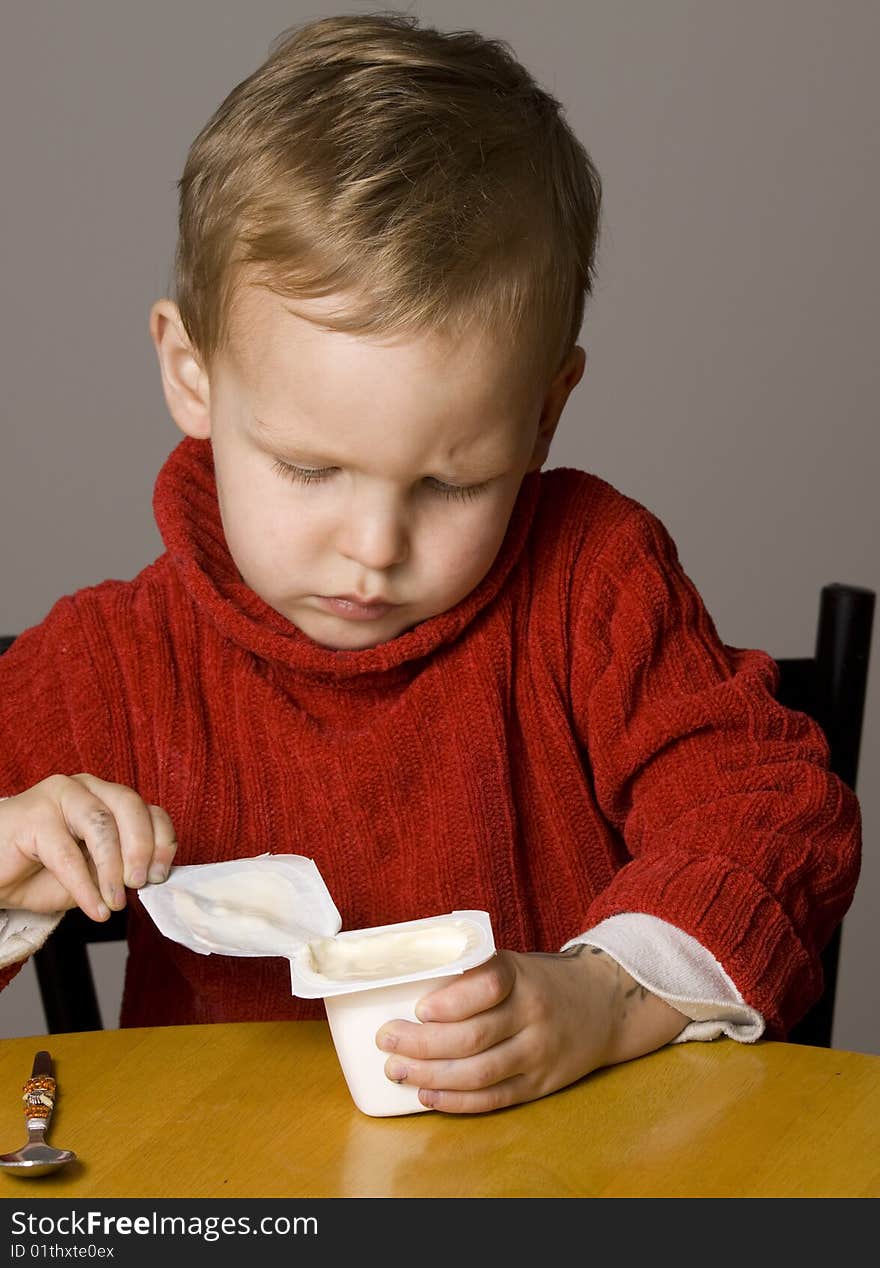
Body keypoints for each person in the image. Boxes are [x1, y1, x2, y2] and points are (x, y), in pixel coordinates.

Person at [0, 11, 860, 1115]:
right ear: (192, 373)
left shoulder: (591, 582)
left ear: (545, 415)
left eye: (451, 484)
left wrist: (605, 995)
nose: (374, 547)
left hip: (580, 1188)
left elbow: (777, 812)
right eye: (310, 468)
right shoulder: (118, 663)